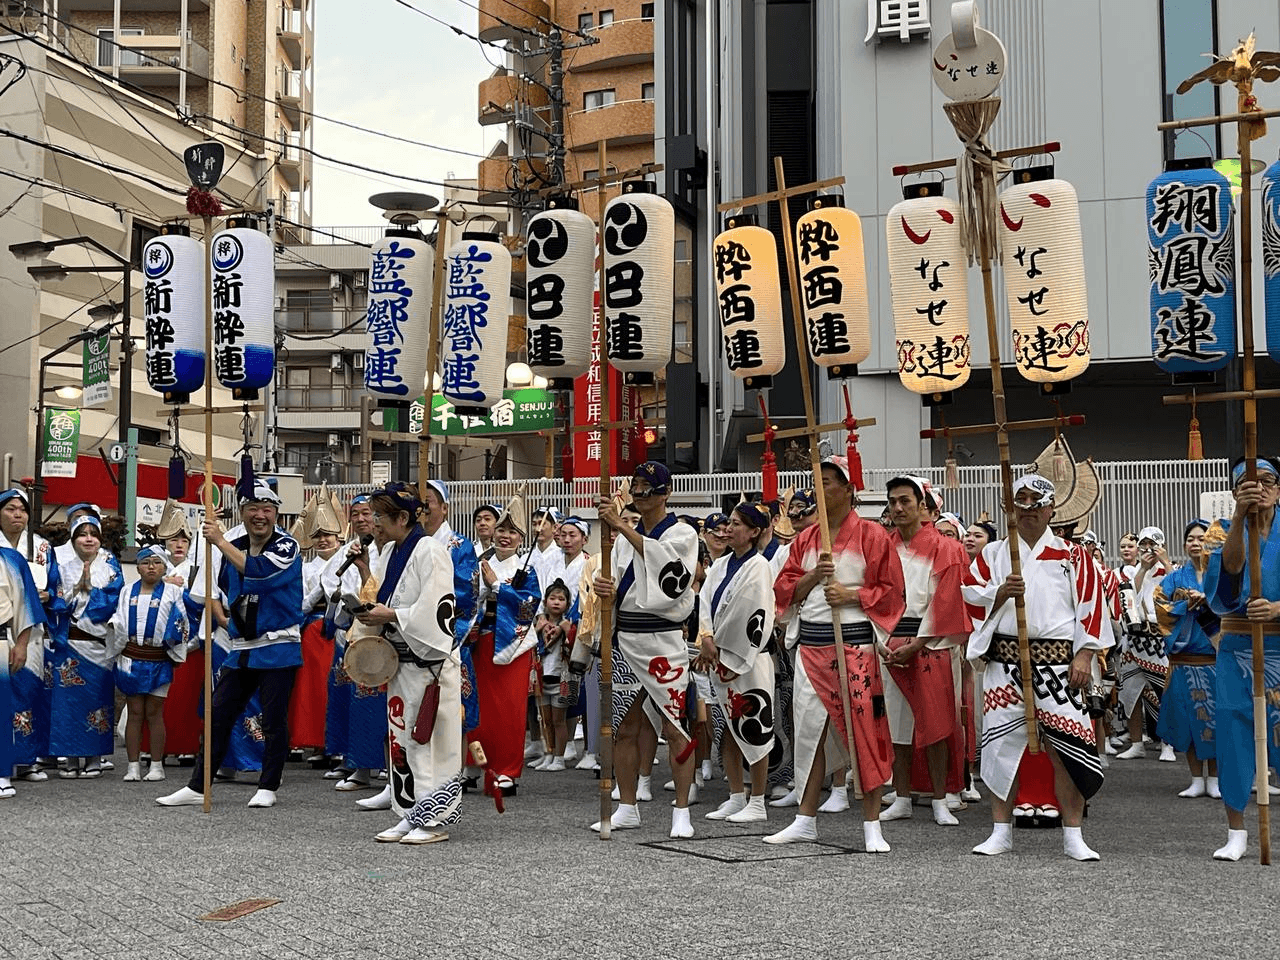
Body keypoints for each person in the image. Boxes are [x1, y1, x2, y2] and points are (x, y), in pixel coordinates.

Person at [962, 474, 1111, 861]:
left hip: (1060, 666)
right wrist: (1000, 594)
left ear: (1051, 509)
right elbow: (970, 598)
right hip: (1005, 663)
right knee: (1000, 749)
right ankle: (1000, 830)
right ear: (1010, 507)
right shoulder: (993, 554)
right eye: (1021, 501)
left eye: (1036, 502)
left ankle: (1073, 834)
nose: (1028, 509)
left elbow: (1092, 607)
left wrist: (1085, 654)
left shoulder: (1073, 556)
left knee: (1069, 749)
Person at [768, 456, 905, 851]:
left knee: (865, 731)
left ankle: (872, 824)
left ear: (848, 489)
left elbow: (893, 591)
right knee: (808, 732)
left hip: (854, 645)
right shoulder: (806, 539)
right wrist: (814, 576)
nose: (820, 488)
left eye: (828, 481)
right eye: (818, 481)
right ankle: (805, 818)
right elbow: (784, 589)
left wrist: (852, 595)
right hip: (811, 647)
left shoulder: (873, 535)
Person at [156, 480, 304, 809]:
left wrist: (220, 541)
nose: (260, 515)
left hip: (278, 645)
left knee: (273, 719)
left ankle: (268, 785)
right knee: (218, 714)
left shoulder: (286, 546)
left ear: (276, 513)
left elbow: (260, 573)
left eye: (267, 509)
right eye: (253, 508)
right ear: (242, 511)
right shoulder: (230, 545)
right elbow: (214, 587)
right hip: (240, 646)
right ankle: (198, 785)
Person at [340, 482, 460, 845]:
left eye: (379, 515)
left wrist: (391, 615)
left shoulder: (431, 550)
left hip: (428, 662)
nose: (374, 522)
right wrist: (365, 578)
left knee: (426, 741)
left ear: (402, 518)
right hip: (401, 661)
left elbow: (437, 608)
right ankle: (410, 813)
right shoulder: (392, 550)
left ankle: (433, 819)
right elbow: (386, 597)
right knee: (402, 740)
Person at [592, 461, 700, 838]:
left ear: (665, 493)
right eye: (635, 485)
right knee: (624, 726)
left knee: (674, 726)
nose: (639, 492)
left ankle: (682, 810)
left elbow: (672, 574)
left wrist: (620, 525)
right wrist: (605, 588)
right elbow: (620, 583)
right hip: (626, 638)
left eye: (647, 486)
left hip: (664, 639)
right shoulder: (624, 539)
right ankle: (627, 806)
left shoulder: (683, 533)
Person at [881, 476, 971, 827]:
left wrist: (918, 643)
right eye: (893, 502)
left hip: (932, 643)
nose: (898, 508)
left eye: (905, 501)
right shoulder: (882, 547)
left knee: (937, 723)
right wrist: (882, 641)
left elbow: (948, 600)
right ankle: (902, 795)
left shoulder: (945, 547)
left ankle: (939, 798)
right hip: (891, 643)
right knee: (897, 725)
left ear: (922, 506)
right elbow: (873, 596)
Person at [1203, 458, 1280, 861]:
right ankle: (1236, 831)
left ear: (1279, 489)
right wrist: (1238, 517)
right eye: (1249, 482)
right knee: (1233, 731)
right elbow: (1229, 572)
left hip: (1279, 642)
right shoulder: (1221, 531)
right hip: (1237, 645)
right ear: (1235, 492)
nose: (1260, 488)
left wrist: (1278, 608)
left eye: (1268, 481)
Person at [698, 502, 777, 824]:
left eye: (737, 524)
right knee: (727, 730)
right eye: (728, 523)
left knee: (755, 726)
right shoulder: (719, 564)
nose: (728, 529)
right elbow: (704, 601)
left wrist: (724, 648)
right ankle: (735, 795)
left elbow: (753, 612)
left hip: (748, 656)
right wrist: (706, 636)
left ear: (755, 531)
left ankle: (757, 800)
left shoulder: (760, 566)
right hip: (717, 654)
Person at [465, 497, 541, 797]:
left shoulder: (527, 569)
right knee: (478, 706)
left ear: (521, 538)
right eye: (501, 530)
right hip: (480, 642)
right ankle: (474, 764)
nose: (505, 536)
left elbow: (529, 604)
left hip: (513, 645)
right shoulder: (479, 564)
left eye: (512, 532)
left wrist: (498, 587)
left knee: (509, 709)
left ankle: (507, 770)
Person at [47, 515, 123, 778]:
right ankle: (70, 757)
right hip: (69, 643)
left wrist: (91, 590)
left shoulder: (110, 568)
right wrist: (76, 590)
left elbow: (116, 600)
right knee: (67, 704)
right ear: (73, 538)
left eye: (93, 534)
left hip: (98, 645)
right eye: (82, 534)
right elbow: (54, 601)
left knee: (97, 700)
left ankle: (94, 757)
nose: (88, 539)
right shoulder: (62, 567)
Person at [322, 493, 386, 797]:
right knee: (350, 699)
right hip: (351, 628)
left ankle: (383, 763)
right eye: (356, 514)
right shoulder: (348, 550)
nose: (361, 519)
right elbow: (330, 582)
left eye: (367, 513)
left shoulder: (388, 549)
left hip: (381, 630)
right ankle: (354, 762)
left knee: (378, 702)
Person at [107, 546, 188, 783]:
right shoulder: (127, 591)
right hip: (132, 657)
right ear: (138, 567)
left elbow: (181, 622)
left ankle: (156, 765)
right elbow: (119, 618)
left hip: (159, 657)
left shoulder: (173, 592)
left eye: (156, 562)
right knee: (134, 712)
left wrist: (173, 646)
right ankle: (133, 766)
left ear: (164, 566)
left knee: (154, 712)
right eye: (145, 562)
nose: (151, 567)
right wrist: (115, 629)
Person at [1154, 519, 1220, 800]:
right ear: (1184, 545)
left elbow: (1235, 608)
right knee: (1189, 720)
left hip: (1215, 659)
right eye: (1190, 539)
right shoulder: (1174, 579)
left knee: (1217, 720)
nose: (1195, 543)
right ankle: (1195, 778)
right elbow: (1159, 607)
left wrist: (1209, 602)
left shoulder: (1222, 577)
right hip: (1184, 658)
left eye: (1201, 538)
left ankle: (1215, 779)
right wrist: (1186, 604)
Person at [0, 489, 56, 780]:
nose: (17, 515)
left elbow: (56, 585)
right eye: (10, 508)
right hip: (3, 622)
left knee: (29, 689)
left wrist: (49, 595)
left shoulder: (42, 548)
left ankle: (26, 759)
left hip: (30, 627)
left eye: (22, 509)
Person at [1115, 527, 1173, 761]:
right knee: (1131, 692)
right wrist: (1143, 569)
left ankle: (1168, 744)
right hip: (1133, 639)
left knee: (1165, 694)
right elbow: (1129, 597)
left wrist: (1165, 563)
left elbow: (1177, 592)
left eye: (1153, 544)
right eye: (1144, 545)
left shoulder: (1171, 569)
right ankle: (1137, 743)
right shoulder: (1133, 571)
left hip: (1159, 640)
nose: (1148, 549)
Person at [290, 498, 342, 759]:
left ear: (338, 537)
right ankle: (318, 743)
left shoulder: (350, 561)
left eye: (328, 535)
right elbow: (299, 604)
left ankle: (338, 745)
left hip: (341, 630)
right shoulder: (306, 568)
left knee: (338, 686)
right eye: (318, 536)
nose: (323, 541)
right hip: (314, 631)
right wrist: (318, 591)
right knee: (314, 687)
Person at [0, 543, 47, 799]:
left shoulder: (11, 559)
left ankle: (2, 774)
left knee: (2, 709)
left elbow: (26, 604)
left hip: (1, 637)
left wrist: (21, 644)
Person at [530, 580, 575, 772]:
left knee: (559, 720)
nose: (556, 602)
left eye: (561, 599)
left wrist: (566, 630)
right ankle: (548, 754)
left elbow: (576, 644)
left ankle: (559, 758)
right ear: (545, 601)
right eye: (553, 598)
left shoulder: (568, 624)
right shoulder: (538, 623)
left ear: (567, 603)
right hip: (541, 677)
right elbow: (527, 643)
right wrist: (537, 629)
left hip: (562, 677)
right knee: (545, 720)